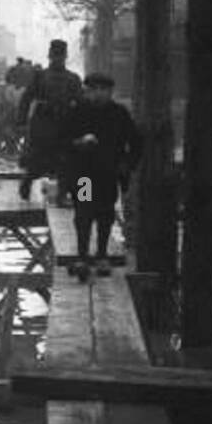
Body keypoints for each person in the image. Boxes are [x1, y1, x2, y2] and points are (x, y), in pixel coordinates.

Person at [61, 73, 142, 280]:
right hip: (84, 174)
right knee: (84, 212)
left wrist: (127, 165)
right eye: (93, 89)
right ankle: (82, 256)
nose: (98, 94)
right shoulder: (77, 112)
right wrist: (79, 142)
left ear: (110, 92)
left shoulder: (119, 113)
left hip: (108, 174)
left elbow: (135, 142)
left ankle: (102, 255)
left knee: (106, 213)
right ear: (87, 91)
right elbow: (63, 142)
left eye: (103, 90)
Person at [17, 39, 83, 202]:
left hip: (65, 124)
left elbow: (81, 103)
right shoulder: (40, 76)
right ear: (50, 56)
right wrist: (21, 121)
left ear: (65, 57)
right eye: (55, 56)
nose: (57, 59)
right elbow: (27, 98)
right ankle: (27, 183)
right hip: (43, 124)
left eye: (60, 56)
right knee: (37, 160)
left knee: (66, 161)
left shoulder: (73, 78)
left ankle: (69, 195)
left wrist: (83, 125)